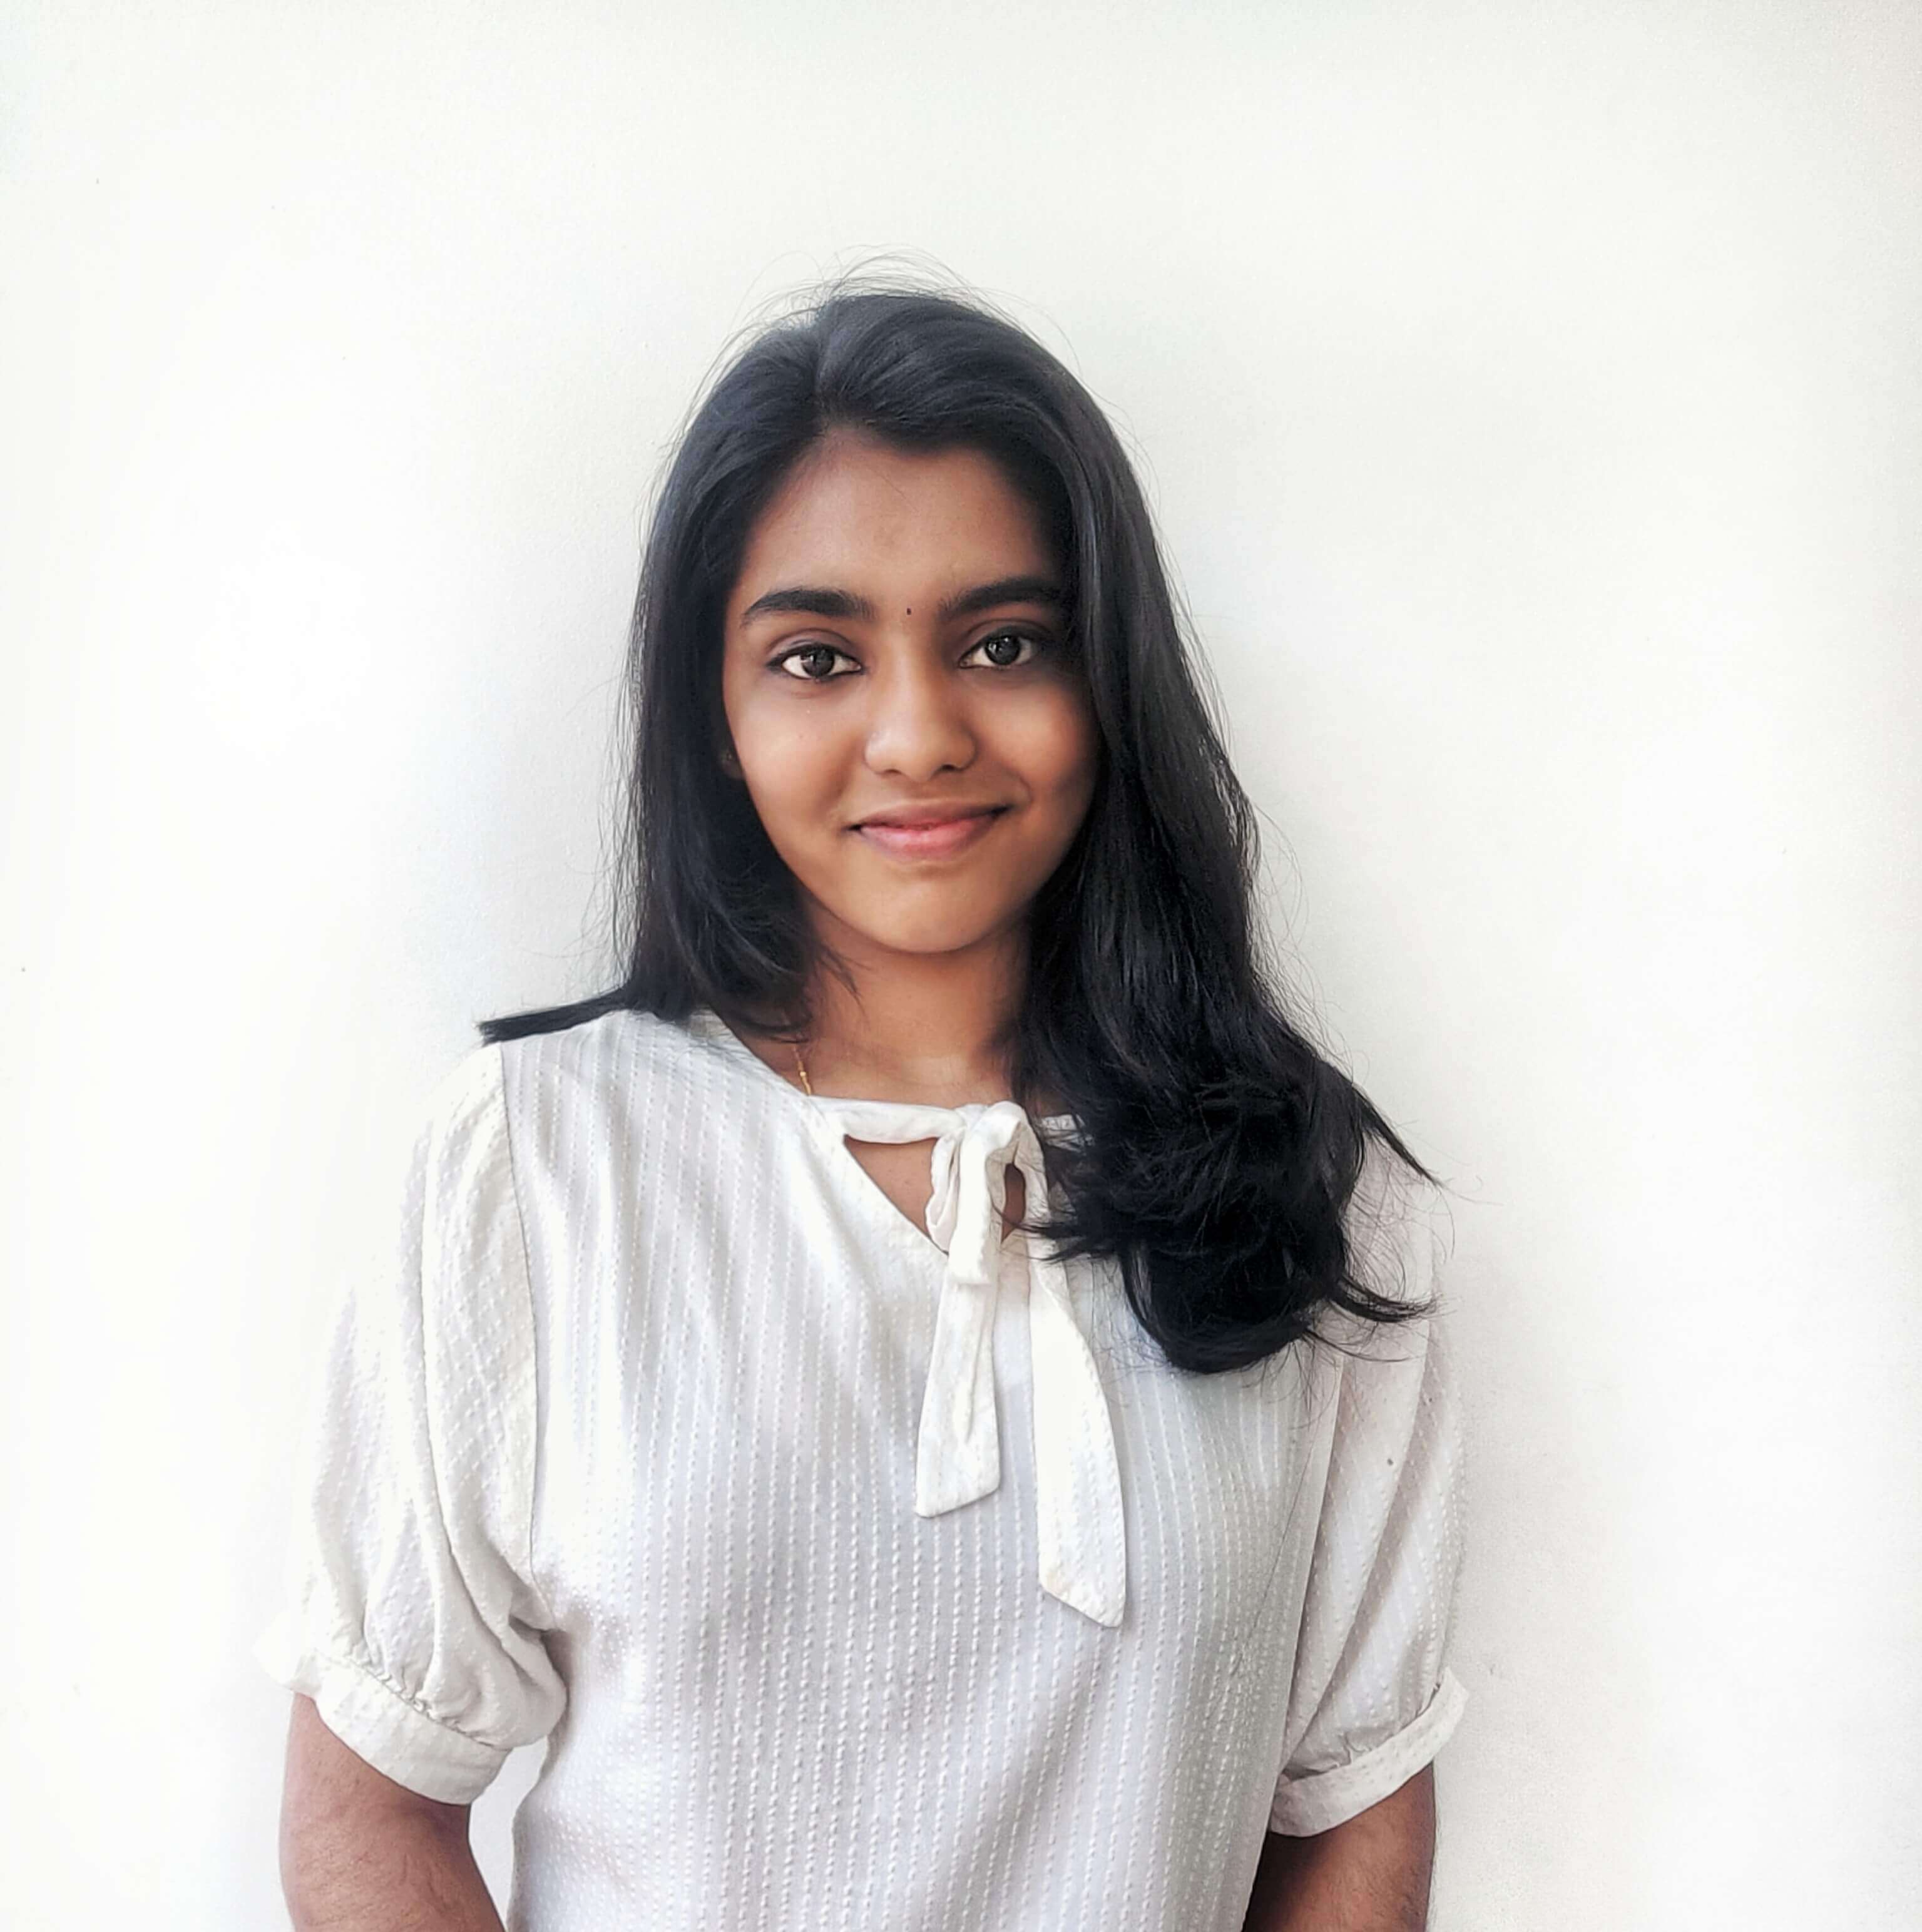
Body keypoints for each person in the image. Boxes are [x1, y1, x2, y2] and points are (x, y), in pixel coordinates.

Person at [255, 274, 1469, 1932]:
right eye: (818, 657)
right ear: (716, 713)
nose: (917, 734)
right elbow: (375, 1803)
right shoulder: (536, 1167)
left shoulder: (1324, 1199)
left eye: (1005, 643)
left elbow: (1350, 1814)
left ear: (1107, 682)